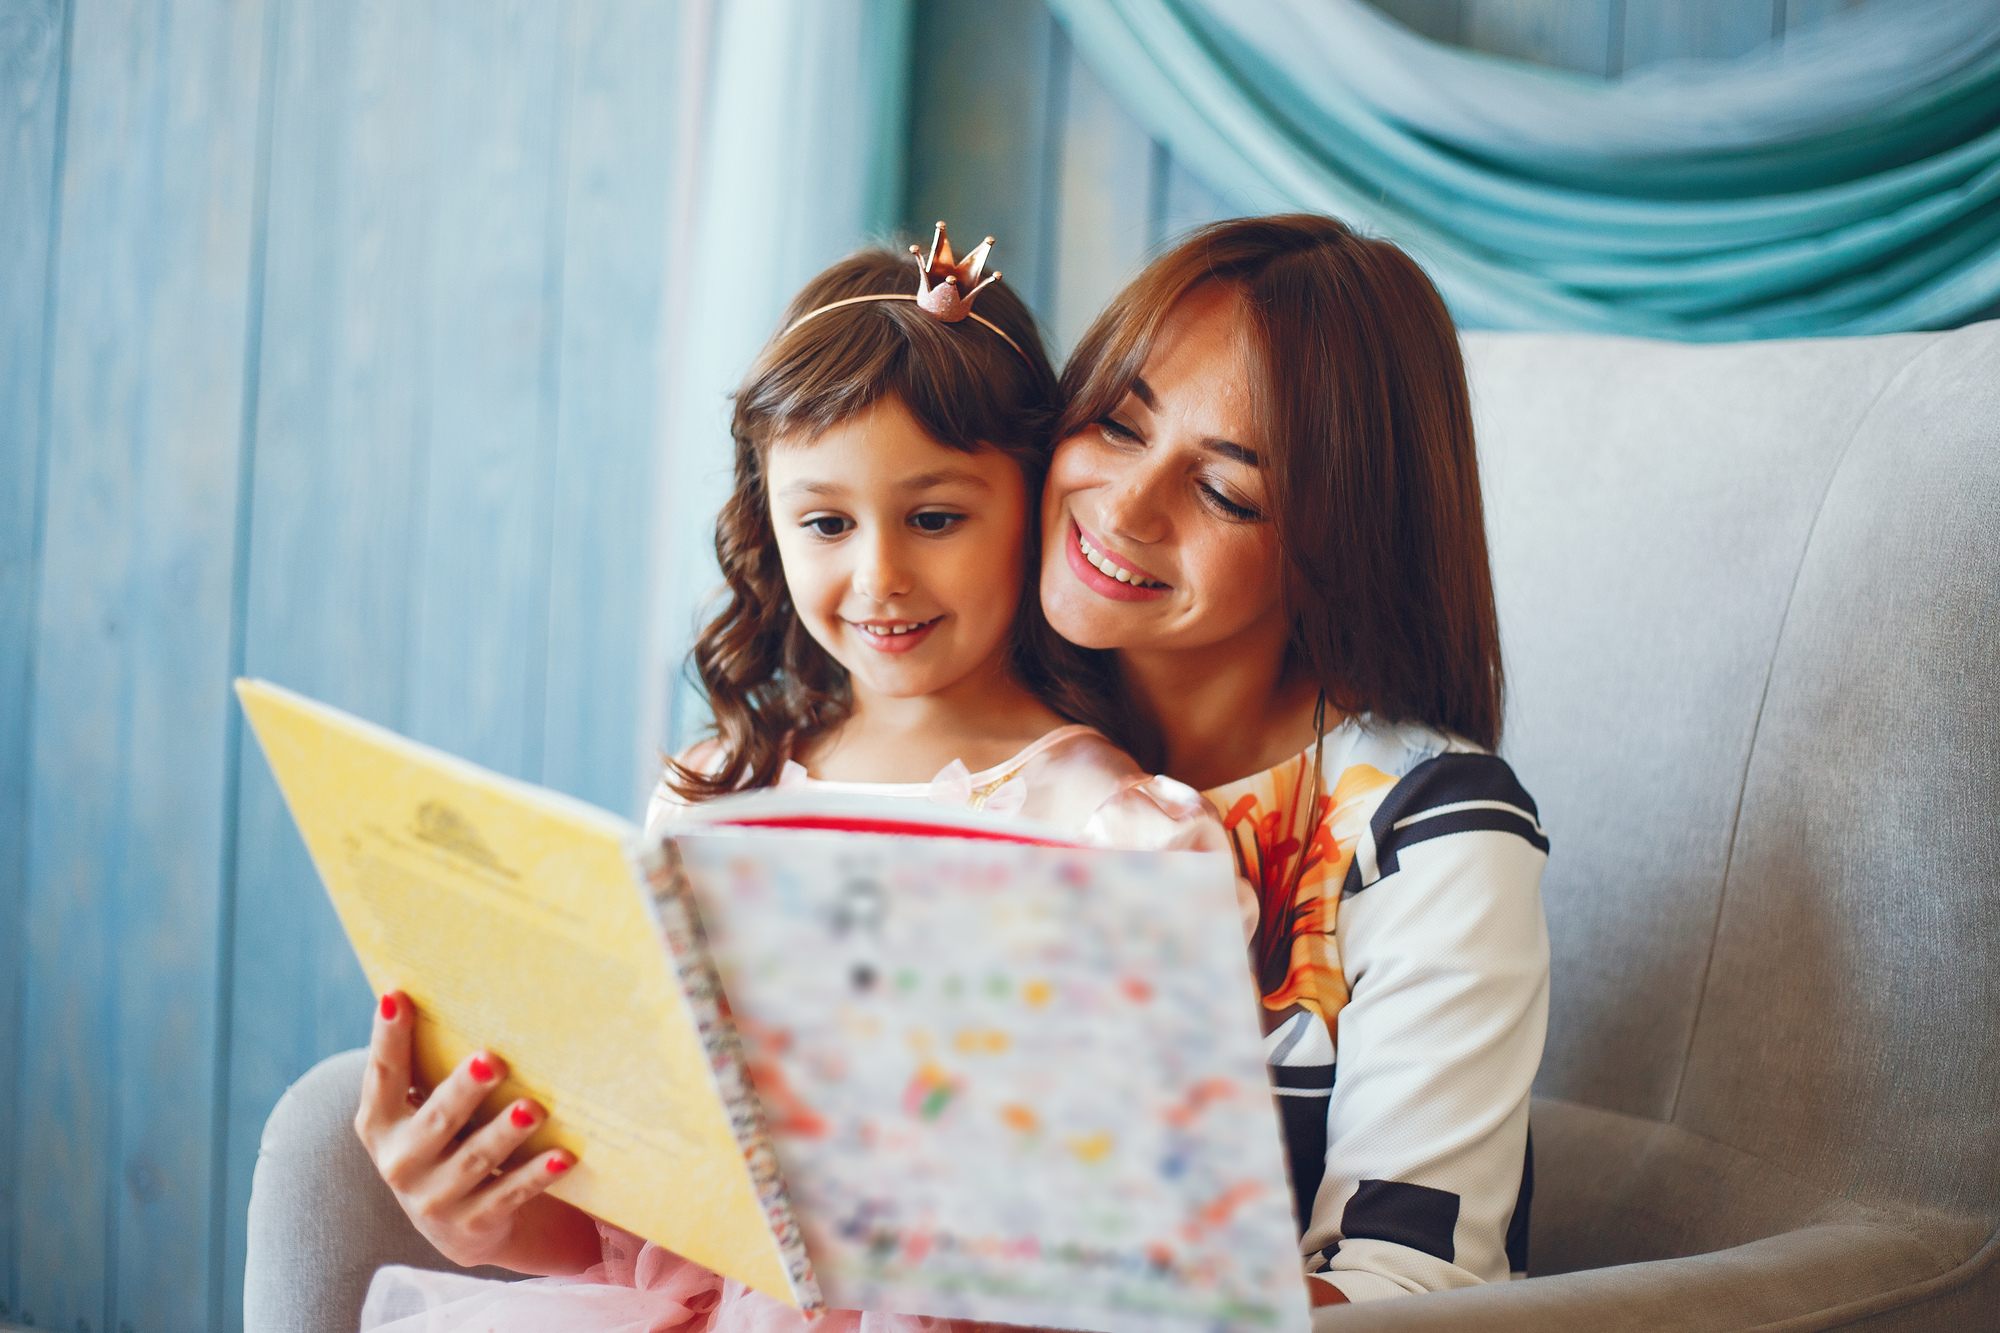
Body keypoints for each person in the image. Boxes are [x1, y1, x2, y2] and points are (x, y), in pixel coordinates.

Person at [351, 228, 1228, 1332]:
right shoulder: (716, 794)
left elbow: (1166, 1228)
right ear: (767, 520)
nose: (878, 576)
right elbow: (632, 1231)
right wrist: (471, 1215)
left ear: (1034, 502)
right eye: (824, 521)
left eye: (935, 517)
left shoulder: (1113, 831)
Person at [1038, 214, 1551, 1311]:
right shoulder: (974, 740)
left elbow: (1406, 1292)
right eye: (1117, 428)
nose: (1124, 506)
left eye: (1224, 490)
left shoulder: (1429, 829)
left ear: (1335, 547)